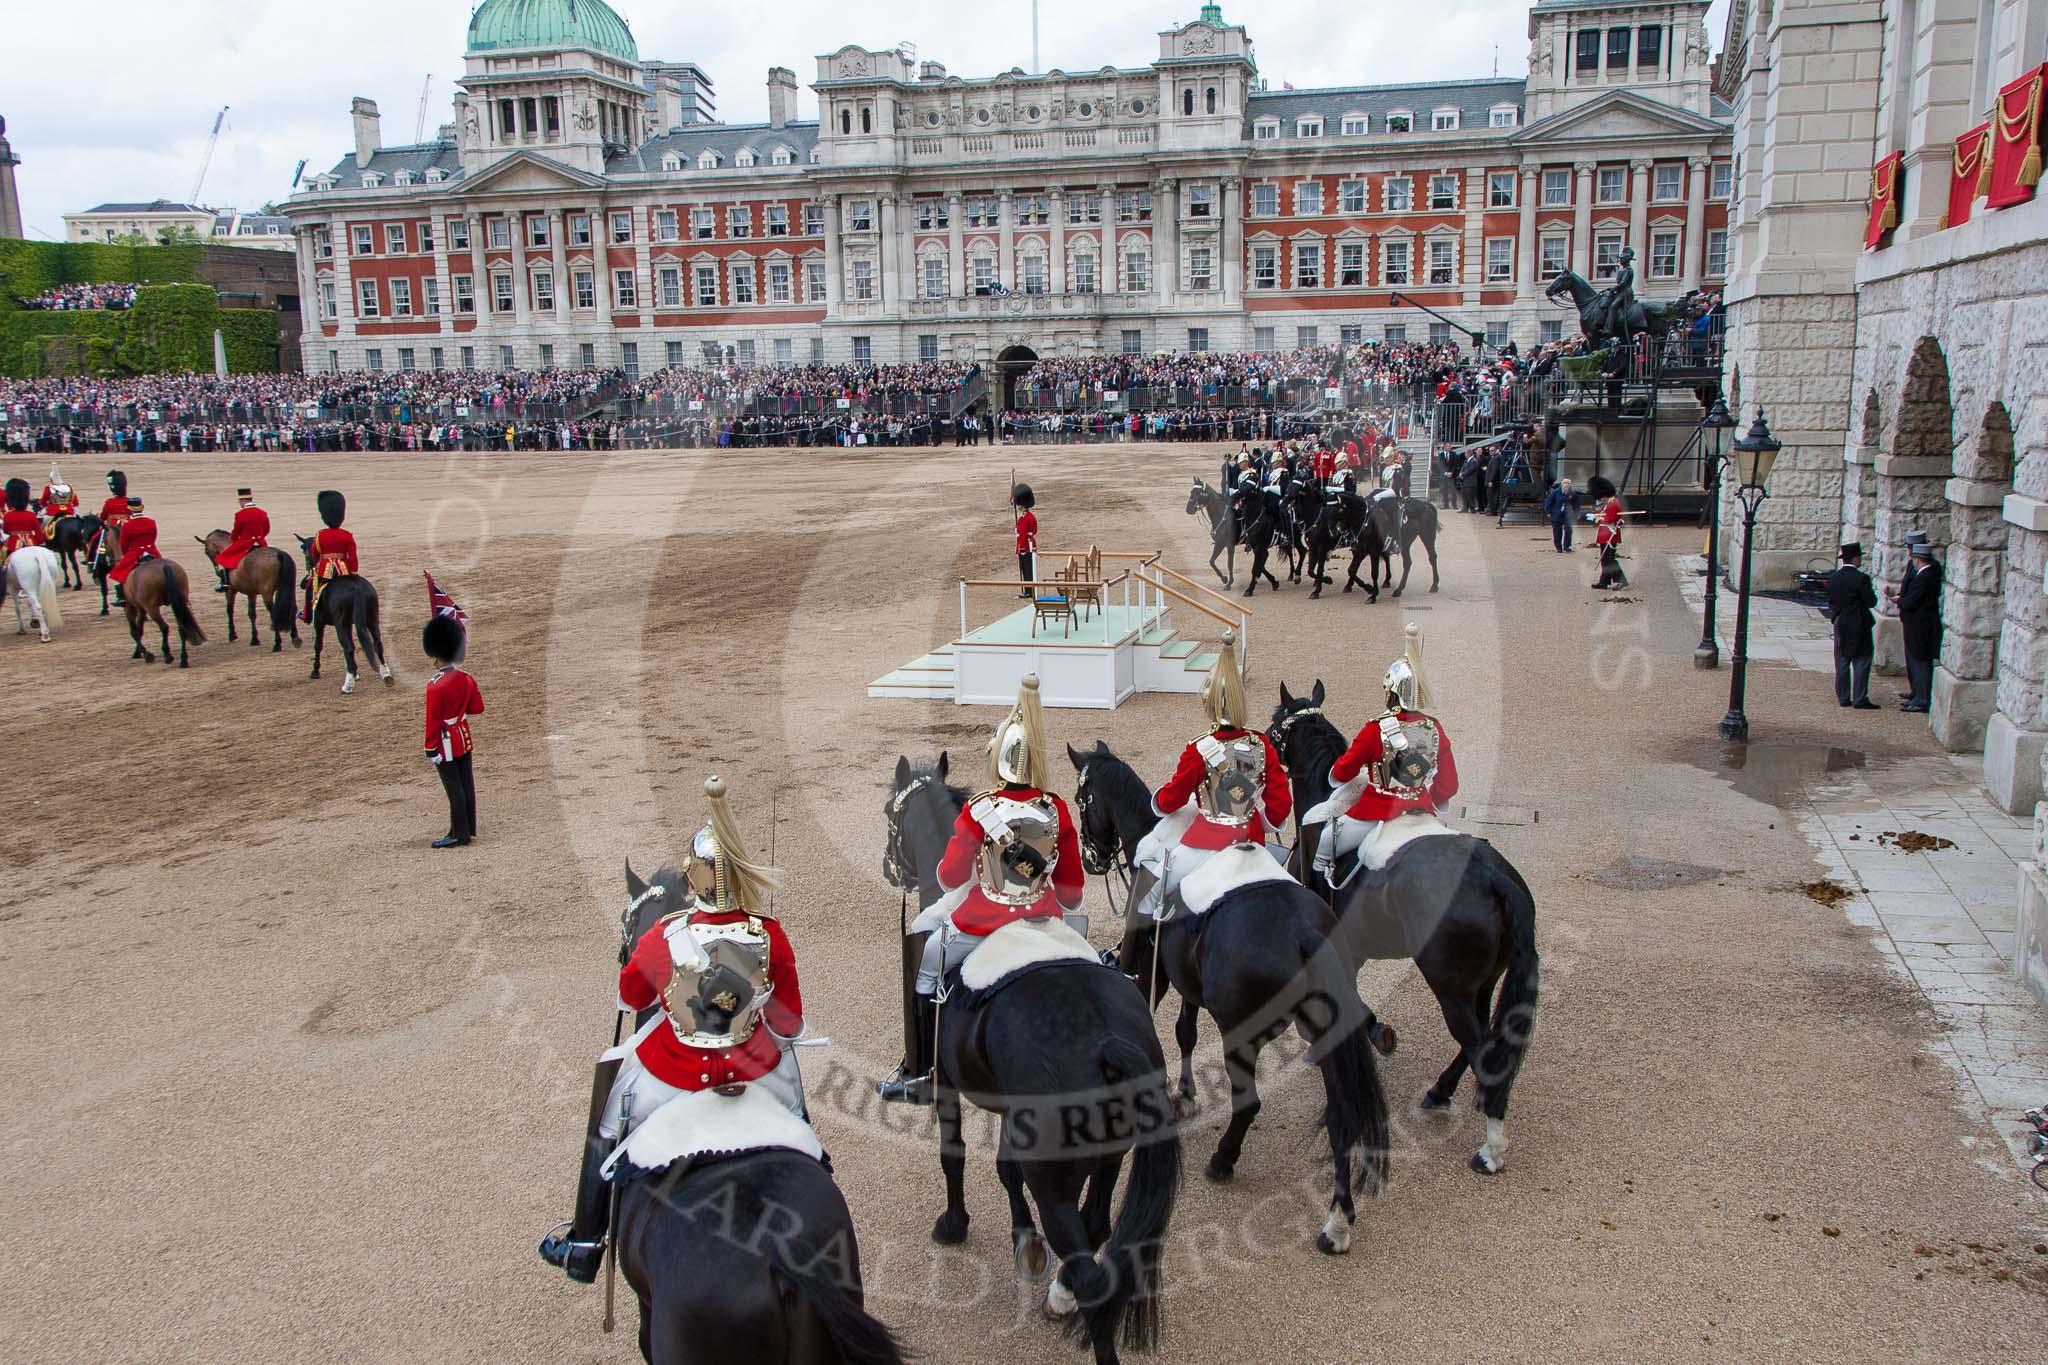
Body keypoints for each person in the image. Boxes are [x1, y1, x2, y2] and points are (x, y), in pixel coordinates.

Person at [538, 775, 805, 1282]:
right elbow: (788, 1023)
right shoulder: (769, 934)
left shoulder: (665, 935)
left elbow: (630, 998)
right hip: (754, 1069)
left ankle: (587, 1240)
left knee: (610, 1116)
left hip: (673, 1070)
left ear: (693, 879)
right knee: (794, 1093)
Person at [876, 675, 1083, 1106]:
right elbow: (1073, 895)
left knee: (928, 960)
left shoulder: (979, 810)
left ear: (999, 762)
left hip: (983, 920)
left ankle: (923, 1069)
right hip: (1044, 916)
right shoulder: (1057, 808)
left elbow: (949, 878)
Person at [1117, 632, 1288, 964]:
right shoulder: (1261, 746)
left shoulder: (1199, 750)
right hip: (1252, 842)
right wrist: (1259, 820)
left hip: (1207, 840)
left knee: (1153, 896)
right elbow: (1280, 807)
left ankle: (1140, 963)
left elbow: (1172, 800)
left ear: (1210, 705)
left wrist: (1159, 801)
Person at [1312, 625, 1458, 886]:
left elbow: (1343, 771)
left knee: (1322, 849)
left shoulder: (1376, 728)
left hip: (1377, 812)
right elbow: (1449, 784)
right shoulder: (1434, 728)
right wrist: (1424, 798)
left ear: (1393, 692)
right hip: (1421, 810)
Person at [422, 614, 484, 847]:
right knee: (466, 782)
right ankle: (467, 825)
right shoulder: (466, 679)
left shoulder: (435, 686)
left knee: (454, 787)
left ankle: (459, 833)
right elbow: (477, 707)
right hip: (463, 735)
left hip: (446, 742)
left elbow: (433, 721)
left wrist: (430, 748)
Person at [1891, 533, 1943, 713]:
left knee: (1920, 661)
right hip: (1914, 622)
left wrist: (1900, 601)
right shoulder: (1921, 571)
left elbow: (1913, 599)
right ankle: (1917, 693)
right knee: (1913, 659)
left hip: (1921, 624)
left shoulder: (1926, 574)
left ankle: (1922, 698)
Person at [1825, 542, 1880, 710]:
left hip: (1841, 620)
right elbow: (1871, 602)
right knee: (1862, 659)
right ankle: (1859, 697)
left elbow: (1832, 600)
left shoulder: (1834, 577)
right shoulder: (1861, 578)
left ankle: (1843, 696)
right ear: (1855, 558)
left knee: (1842, 659)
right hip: (1858, 622)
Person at [301, 489, 358, 623]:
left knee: (311, 588)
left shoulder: (320, 535)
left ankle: (307, 615)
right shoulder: (347, 535)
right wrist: (353, 571)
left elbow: (315, 553)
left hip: (324, 569)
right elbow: (353, 557)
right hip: (343, 569)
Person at [214, 487, 270, 592]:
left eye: (239, 501)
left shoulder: (240, 514)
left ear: (242, 500)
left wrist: (233, 538)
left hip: (245, 543)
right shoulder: (262, 512)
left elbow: (236, 531)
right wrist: (260, 537)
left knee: (221, 559)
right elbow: (266, 529)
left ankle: (225, 584)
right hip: (261, 543)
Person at [105, 496, 158, 590]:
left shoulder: (127, 525)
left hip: (135, 552)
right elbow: (153, 537)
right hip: (152, 551)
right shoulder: (151, 522)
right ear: (142, 507)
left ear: (129, 508)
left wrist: (126, 554)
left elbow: (124, 544)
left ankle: (120, 596)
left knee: (119, 573)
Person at [97, 470, 133, 603]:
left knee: (97, 540)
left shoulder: (110, 503)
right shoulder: (129, 501)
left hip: (112, 531)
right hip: (129, 530)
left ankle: (93, 561)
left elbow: (102, 517)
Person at [1590, 480, 1628, 589]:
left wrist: (1598, 518)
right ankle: (1604, 581)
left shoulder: (1612, 504)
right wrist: (1598, 515)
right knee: (1605, 559)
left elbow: (1610, 520)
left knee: (1609, 560)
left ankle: (1621, 580)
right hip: (1605, 535)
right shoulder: (1609, 503)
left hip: (1609, 536)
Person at [3, 478, 46, 556]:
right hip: (31, 542)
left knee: (3, 557)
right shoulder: (31, 515)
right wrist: (41, 542)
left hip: (13, 544)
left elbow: (5, 531)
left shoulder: (8, 515)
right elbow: (38, 531)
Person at [1012, 482, 1038, 599]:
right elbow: (1034, 530)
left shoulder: (1025, 518)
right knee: (1028, 569)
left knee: (1026, 569)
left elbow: (1023, 535)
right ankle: (1029, 589)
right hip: (1029, 544)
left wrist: (1021, 548)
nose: (1019, 507)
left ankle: (1028, 591)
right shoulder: (1030, 516)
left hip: (1025, 547)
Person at [37, 468, 77, 541]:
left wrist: (42, 503)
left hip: (53, 511)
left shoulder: (49, 488)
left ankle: (42, 539)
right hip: (69, 510)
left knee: (42, 522)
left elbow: (43, 501)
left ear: (52, 480)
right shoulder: (69, 487)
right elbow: (75, 502)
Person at [1541, 478, 1580, 552]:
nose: (1566, 485)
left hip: (1567, 514)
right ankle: (1558, 547)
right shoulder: (1555, 492)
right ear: (1562, 484)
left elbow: (1576, 504)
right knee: (1557, 531)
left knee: (1569, 529)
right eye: (1565, 483)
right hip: (1556, 514)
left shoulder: (1572, 493)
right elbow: (1548, 501)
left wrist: (1577, 513)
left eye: (1568, 483)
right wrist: (1548, 511)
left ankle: (1567, 546)